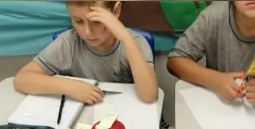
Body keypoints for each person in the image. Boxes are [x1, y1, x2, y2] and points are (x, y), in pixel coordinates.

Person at [13, 0, 158, 103]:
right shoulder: (69, 42)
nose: (87, 32)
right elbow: (21, 79)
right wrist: (69, 87)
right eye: (78, 21)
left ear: (116, 10)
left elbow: (149, 95)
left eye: (96, 21)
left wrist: (126, 39)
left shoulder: (135, 42)